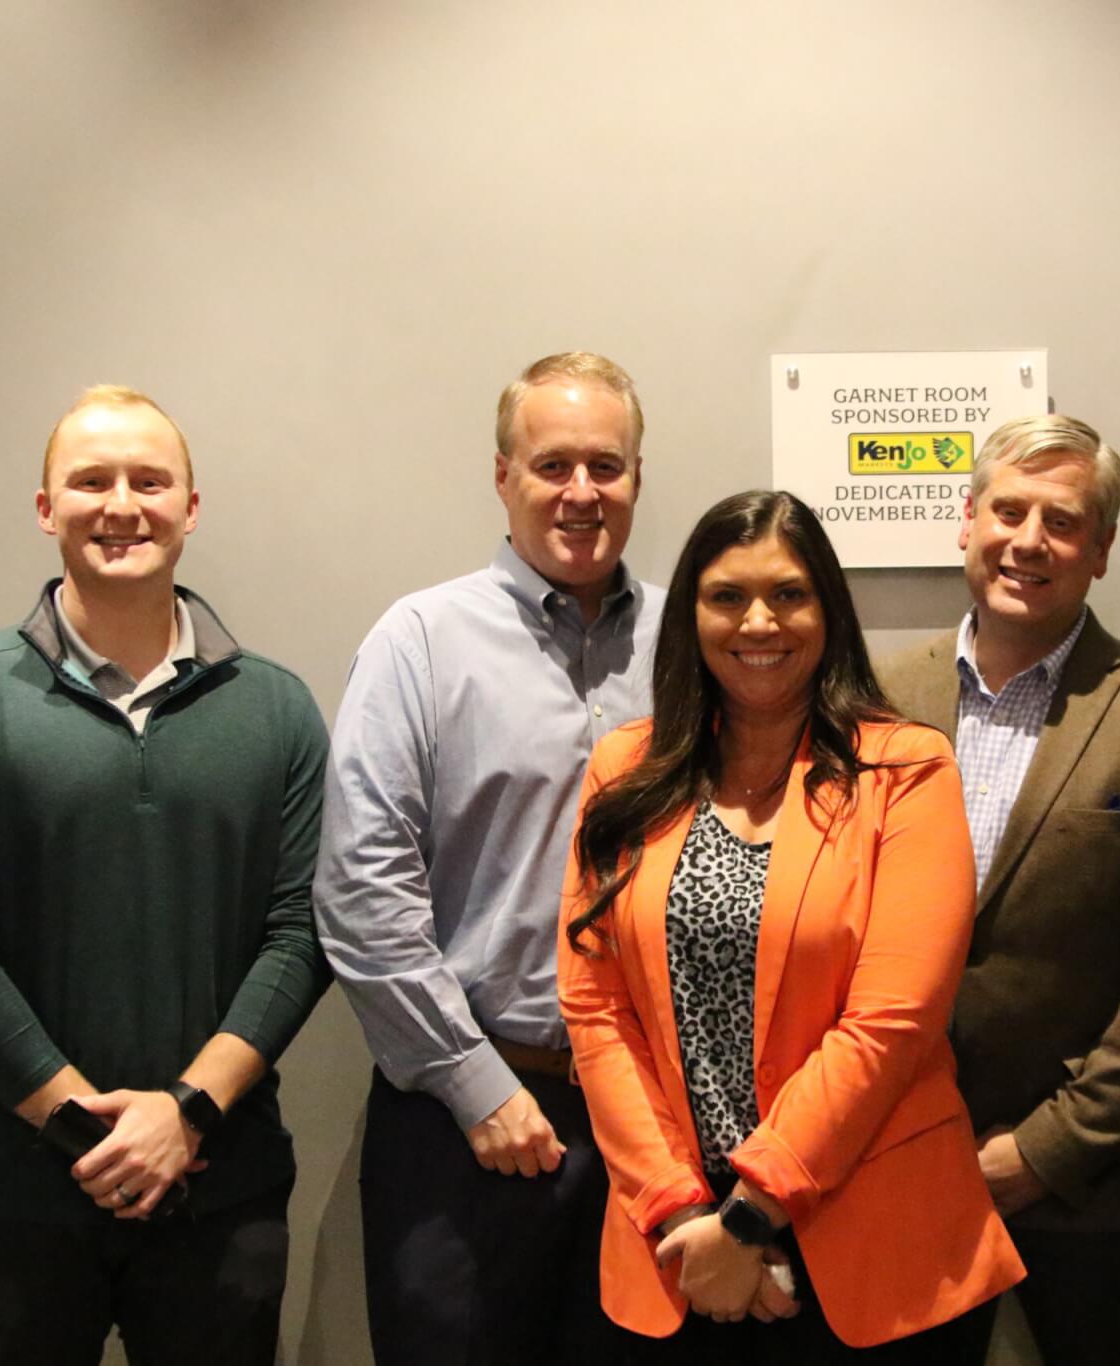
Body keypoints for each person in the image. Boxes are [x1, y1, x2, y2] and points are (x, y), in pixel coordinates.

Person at [0, 385, 331, 1365]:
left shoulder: (278, 711)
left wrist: (188, 1112)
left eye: (149, 480)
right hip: (10, 1194)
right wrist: (87, 1124)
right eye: (90, 480)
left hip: (223, 1184)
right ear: (46, 508)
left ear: (190, 506)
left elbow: (302, 931)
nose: (121, 504)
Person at [558, 490, 1024, 1361]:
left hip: (877, 1256)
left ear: (829, 611)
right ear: (691, 613)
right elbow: (595, 1011)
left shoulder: (906, 769)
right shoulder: (626, 768)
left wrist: (749, 1216)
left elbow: (893, 1023)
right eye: (727, 596)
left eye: (790, 594)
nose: (759, 621)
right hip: (677, 1256)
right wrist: (687, 1216)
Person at [314, 351, 663, 1364]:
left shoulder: (690, 642)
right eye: (552, 464)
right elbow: (360, 892)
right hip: (459, 1125)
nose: (581, 491)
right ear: (502, 475)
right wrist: (477, 1086)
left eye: (607, 464)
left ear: (638, 475)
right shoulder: (419, 641)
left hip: (645, 1131)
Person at [880, 414, 1120, 1363]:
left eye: (1064, 522)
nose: (1029, 540)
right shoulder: (871, 697)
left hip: (1079, 1185)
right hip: (892, 1163)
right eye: (1009, 509)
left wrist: (1048, 1149)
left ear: (1102, 550)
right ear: (966, 519)